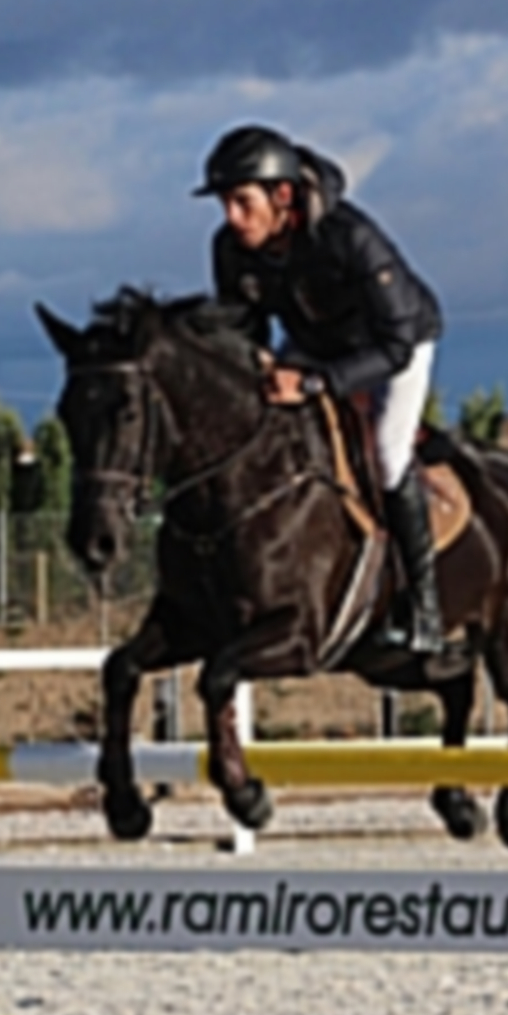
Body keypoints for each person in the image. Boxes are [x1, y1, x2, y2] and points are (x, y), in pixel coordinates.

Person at [192, 123, 444, 655]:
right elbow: (246, 324)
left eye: (242, 203)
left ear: (282, 196)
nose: (231, 219)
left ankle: (423, 608)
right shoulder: (231, 248)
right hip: (317, 343)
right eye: (224, 205)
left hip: (395, 344)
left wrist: (312, 381)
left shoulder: (351, 237)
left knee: (386, 455)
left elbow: (395, 344)